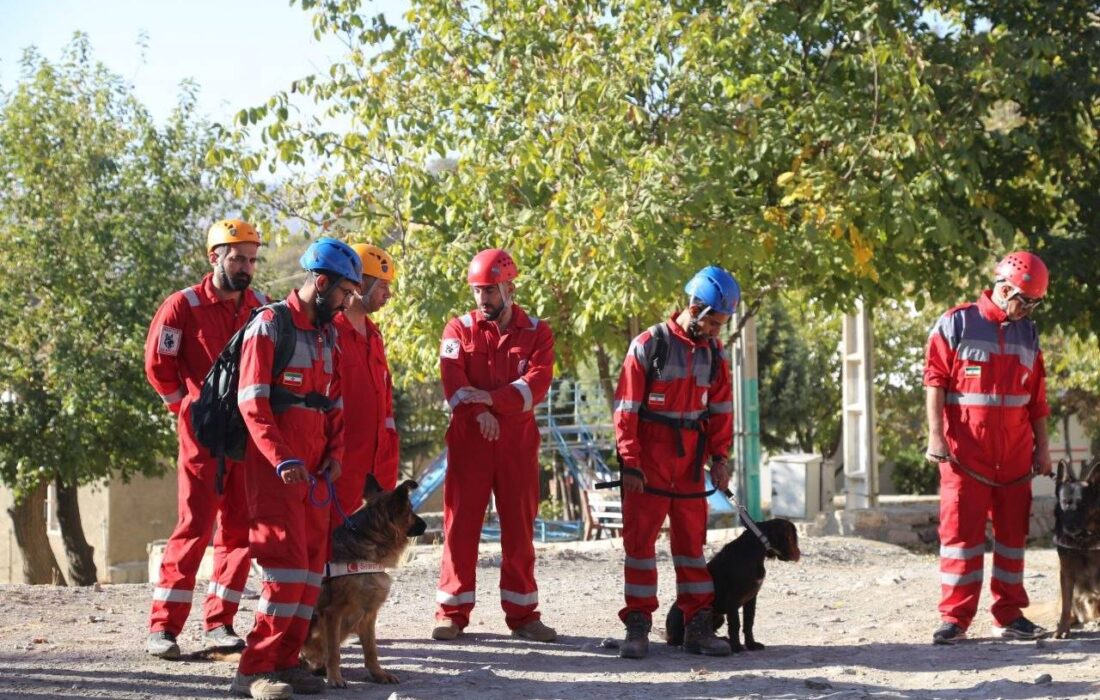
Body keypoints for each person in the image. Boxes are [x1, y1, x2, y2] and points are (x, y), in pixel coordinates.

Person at [230, 237, 360, 700]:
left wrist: (336, 455)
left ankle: (288, 661)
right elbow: (252, 401)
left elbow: (335, 404)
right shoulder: (269, 325)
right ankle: (254, 670)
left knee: (308, 572)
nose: (347, 303)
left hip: (314, 473)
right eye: (345, 292)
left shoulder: (329, 334)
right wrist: (282, 456)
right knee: (284, 570)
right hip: (277, 471)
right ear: (321, 283)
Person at [145, 219, 267, 659]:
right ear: (214, 257)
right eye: (237, 258)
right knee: (194, 527)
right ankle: (163, 628)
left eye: (252, 259)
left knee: (239, 532)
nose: (246, 267)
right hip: (201, 438)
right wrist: (185, 409)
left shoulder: (261, 308)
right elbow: (160, 365)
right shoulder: (183, 306)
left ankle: (221, 623)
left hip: (246, 437)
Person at [924, 250, 1053, 646]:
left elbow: (1037, 399)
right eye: (1025, 301)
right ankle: (955, 619)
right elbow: (935, 381)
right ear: (1004, 287)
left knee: (1013, 539)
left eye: (1035, 304)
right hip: (965, 458)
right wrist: (935, 435)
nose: (1029, 310)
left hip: (1014, 458)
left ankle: (1010, 614)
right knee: (961, 538)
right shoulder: (956, 323)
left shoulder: (1028, 333)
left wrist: (1042, 449)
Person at [612, 265, 738, 659]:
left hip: (688, 464)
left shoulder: (715, 355)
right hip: (647, 465)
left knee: (691, 549)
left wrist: (720, 458)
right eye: (715, 322)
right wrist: (630, 464)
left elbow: (720, 411)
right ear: (695, 307)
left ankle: (697, 626)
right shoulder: (649, 345)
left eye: (722, 323)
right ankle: (638, 626)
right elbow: (626, 409)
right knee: (639, 547)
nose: (718, 330)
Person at [432, 248, 557, 643]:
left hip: (516, 447)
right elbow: (453, 385)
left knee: (519, 530)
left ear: (509, 287)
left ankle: (523, 616)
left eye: (489, 291)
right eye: (477, 291)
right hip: (470, 443)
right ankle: (451, 613)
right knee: (459, 528)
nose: (482, 299)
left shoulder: (538, 332)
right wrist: (478, 412)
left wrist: (488, 401)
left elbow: (534, 386)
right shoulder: (457, 330)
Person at [330, 242, 399, 535]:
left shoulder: (374, 335)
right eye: (383, 286)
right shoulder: (329, 331)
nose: (388, 295)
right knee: (334, 541)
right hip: (341, 463)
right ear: (360, 283)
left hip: (376, 464)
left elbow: (384, 403)